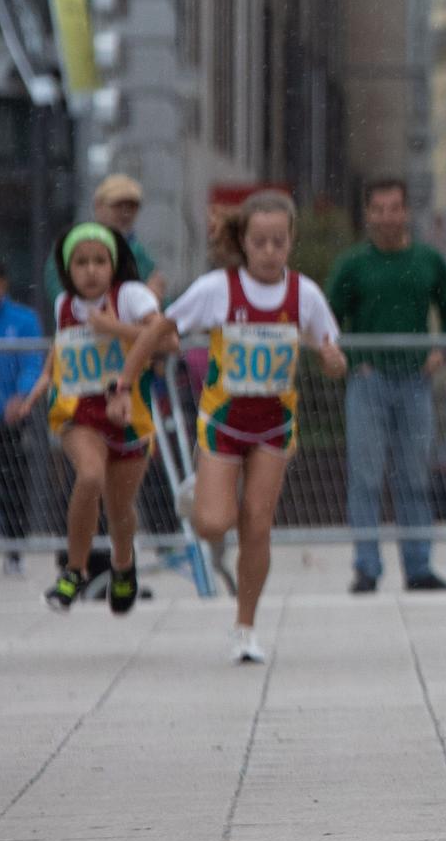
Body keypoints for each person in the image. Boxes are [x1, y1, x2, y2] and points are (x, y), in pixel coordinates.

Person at [126, 191, 348, 662]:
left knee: (257, 526)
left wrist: (332, 359)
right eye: (260, 242)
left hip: (273, 426)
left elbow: (333, 357)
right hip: (224, 423)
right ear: (244, 243)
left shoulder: (304, 294)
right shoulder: (217, 289)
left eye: (278, 242)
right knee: (213, 523)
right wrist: (126, 381)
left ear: (290, 243)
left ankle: (245, 628)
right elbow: (161, 329)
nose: (269, 251)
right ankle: (198, 495)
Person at [22, 224, 165, 615]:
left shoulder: (131, 296)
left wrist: (112, 327)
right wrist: (46, 375)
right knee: (89, 477)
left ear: (113, 263)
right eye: (81, 262)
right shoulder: (64, 304)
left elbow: (164, 337)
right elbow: (65, 341)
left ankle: (123, 566)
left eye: (99, 261)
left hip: (127, 413)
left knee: (120, 509)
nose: (90, 271)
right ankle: (74, 571)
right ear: (68, 270)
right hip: (77, 409)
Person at [328, 179, 446, 594]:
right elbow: (328, 319)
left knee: (414, 476)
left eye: (394, 208)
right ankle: (366, 567)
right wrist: (350, 361)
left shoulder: (428, 261)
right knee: (365, 477)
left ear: (406, 212)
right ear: (367, 214)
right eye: (379, 208)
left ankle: (418, 565)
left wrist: (443, 351)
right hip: (369, 384)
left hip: (415, 383)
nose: (387, 216)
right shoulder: (353, 265)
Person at [0, 260, 43, 576]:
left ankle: (15, 550)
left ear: (2, 285)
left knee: (13, 482)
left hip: (10, 416)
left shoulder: (23, 320)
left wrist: (23, 394)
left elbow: (33, 361)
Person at [42, 173, 167, 308]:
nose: (125, 213)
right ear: (98, 205)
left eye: (132, 206)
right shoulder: (73, 245)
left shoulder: (141, 255)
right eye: (118, 205)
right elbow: (62, 295)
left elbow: (162, 306)